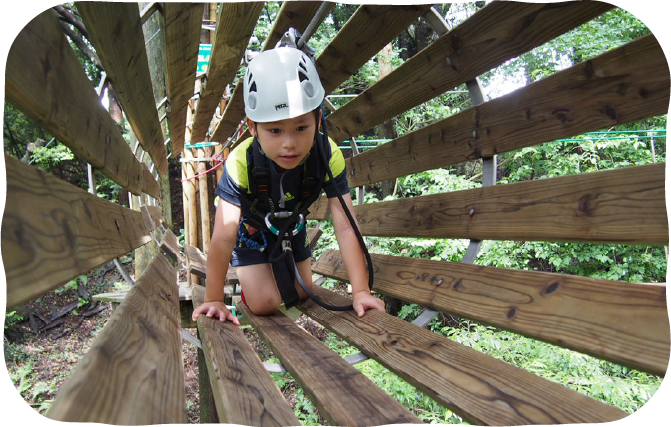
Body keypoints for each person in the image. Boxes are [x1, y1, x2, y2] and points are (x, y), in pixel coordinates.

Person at [192, 45, 385, 325]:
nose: (289, 143)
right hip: (252, 232)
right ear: (252, 126)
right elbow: (224, 234)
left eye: (301, 127)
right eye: (275, 130)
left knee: (301, 292)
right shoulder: (241, 162)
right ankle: (255, 282)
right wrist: (213, 298)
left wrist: (361, 291)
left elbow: (345, 225)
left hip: (293, 226)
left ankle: (275, 268)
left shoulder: (327, 155)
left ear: (318, 119)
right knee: (265, 303)